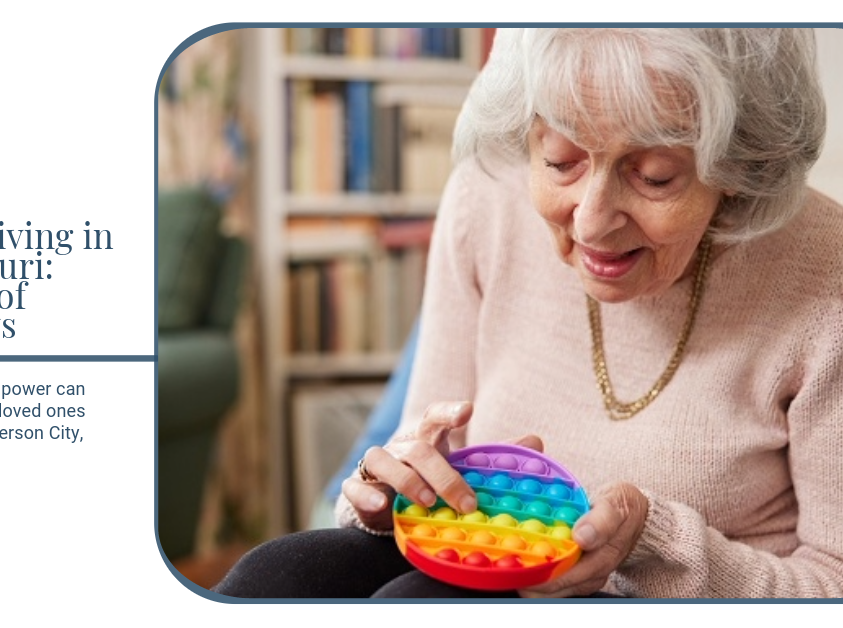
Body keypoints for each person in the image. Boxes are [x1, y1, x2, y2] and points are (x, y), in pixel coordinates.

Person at [215, 28, 843, 598]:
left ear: (736, 165)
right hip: (488, 567)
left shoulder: (825, 274)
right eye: (562, 161)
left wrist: (656, 545)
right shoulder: (486, 195)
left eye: (654, 177)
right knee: (274, 576)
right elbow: (425, 448)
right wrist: (395, 488)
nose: (593, 220)